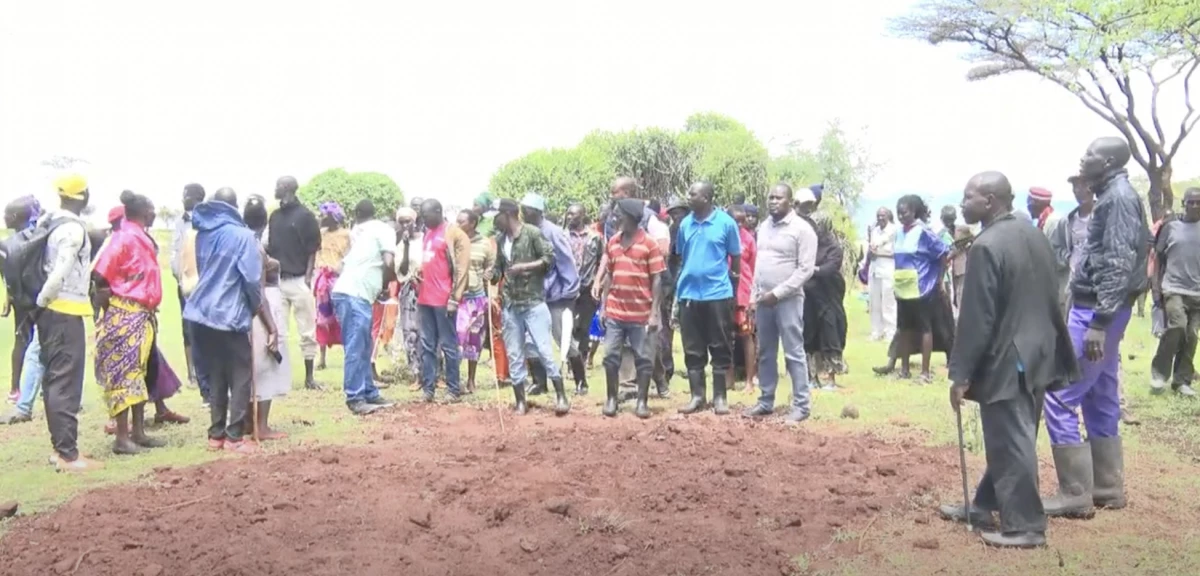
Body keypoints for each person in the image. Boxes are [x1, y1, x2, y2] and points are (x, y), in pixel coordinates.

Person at [942, 171, 1078, 549]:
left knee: (1010, 439)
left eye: (968, 197)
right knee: (1016, 433)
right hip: (1040, 351)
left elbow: (977, 318)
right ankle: (985, 503)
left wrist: (961, 374)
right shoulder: (1033, 233)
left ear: (989, 201)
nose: (963, 203)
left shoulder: (986, 246)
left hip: (1011, 356)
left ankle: (1026, 527)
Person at [1041, 137, 1150, 519]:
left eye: (1088, 154)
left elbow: (1118, 262)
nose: (1082, 158)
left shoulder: (1118, 198)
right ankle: (1107, 486)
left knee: (1060, 394)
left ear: (1106, 162)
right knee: (1099, 393)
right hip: (1107, 310)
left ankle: (1074, 493)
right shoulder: (1116, 194)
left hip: (1096, 312)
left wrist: (1099, 323)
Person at [185, 188, 277, 454]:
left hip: (201, 312)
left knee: (217, 375)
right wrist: (254, 307)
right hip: (229, 313)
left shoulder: (202, 234)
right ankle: (234, 437)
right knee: (240, 375)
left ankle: (216, 435)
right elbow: (250, 279)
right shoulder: (243, 236)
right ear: (234, 207)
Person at [92, 191, 178, 454]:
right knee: (124, 375)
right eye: (152, 209)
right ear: (144, 212)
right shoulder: (122, 238)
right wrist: (111, 307)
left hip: (143, 315)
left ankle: (139, 432)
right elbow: (99, 275)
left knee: (140, 374)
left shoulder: (142, 238)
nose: (154, 213)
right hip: (125, 314)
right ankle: (121, 437)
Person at [36, 175, 99, 471]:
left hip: (51, 313)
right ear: (82, 197)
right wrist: (44, 301)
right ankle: (68, 455)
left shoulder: (48, 223)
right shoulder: (73, 229)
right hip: (63, 310)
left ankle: (60, 449)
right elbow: (59, 271)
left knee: (54, 379)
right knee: (65, 382)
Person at [743, 184, 818, 422]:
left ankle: (801, 406)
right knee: (765, 352)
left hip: (788, 300)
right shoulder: (764, 227)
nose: (773, 201)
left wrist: (778, 293)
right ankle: (766, 401)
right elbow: (759, 264)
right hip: (763, 300)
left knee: (794, 352)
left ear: (790, 201)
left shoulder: (802, 230)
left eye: (779, 198)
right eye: (770, 197)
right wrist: (755, 295)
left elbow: (805, 270)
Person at [490, 198, 565, 415]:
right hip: (511, 305)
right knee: (514, 354)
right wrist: (491, 275)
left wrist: (526, 267)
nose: (495, 221)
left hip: (533, 303)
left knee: (543, 350)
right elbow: (498, 271)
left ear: (508, 215)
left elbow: (549, 258)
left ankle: (560, 395)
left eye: (497, 216)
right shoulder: (500, 240)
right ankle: (520, 400)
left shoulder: (531, 233)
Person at [673, 181, 741, 415]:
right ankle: (697, 396)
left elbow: (736, 257)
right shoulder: (684, 224)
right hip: (689, 295)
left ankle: (720, 397)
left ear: (707, 197)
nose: (688, 197)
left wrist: (734, 288)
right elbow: (682, 256)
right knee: (692, 348)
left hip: (718, 294)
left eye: (693, 193)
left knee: (720, 346)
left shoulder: (726, 223)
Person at [598, 198, 665, 418]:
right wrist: (604, 306)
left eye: (619, 214)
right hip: (616, 312)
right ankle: (611, 399)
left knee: (644, 358)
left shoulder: (649, 244)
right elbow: (609, 274)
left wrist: (654, 313)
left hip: (641, 314)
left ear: (632, 218)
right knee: (610, 356)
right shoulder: (613, 242)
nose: (615, 218)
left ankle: (642, 402)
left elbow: (657, 280)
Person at [874, 195, 952, 383]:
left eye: (905, 212)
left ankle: (925, 373)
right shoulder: (899, 232)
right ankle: (904, 370)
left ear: (914, 212)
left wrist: (939, 280)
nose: (901, 216)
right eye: (899, 213)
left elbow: (943, 253)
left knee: (925, 328)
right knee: (904, 328)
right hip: (902, 287)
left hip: (922, 288)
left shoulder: (924, 232)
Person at [330, 200, 398, 415]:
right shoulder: (386, 231)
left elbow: (340, 266)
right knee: (356, 346)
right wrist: (386, 286)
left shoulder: (366, 236)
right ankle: (355, 397)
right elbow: (388, 263)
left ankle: (369, 392)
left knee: (364, 345)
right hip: (354, 295)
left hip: (354, 294)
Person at [407, 199, 470, 402]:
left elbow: (461, 268)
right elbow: (430, 261)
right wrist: (418, 272)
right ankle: (428, 389)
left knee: (449, 345)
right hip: (425, 299)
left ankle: (453, 389)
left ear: (438, 211)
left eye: (426, 216)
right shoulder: (428, 233)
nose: (423, 220)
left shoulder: (454, 234)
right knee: (426, 345)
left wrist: (455, 298)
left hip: (444, 300)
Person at [520, 193, 580, 400]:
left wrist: (569, 292)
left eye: (525, 209)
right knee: (531, 339)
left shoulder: (553, 232)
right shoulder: (525, 232)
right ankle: (539, 382)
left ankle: (581, 380)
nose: (522, 212)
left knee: (562, 336)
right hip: (533, 295)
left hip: (556, 295)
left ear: (535, 211)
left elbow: (567, 262)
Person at [266, 176, 323, 390]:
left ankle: (309, 378)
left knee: (307, 330)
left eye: (278, 185)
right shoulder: (275, 216)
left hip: (299, 280)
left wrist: (308, 278)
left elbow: (312, 249)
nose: (275, 188)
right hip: (278, 282)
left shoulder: (305, 216)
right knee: (278, 331)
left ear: (288, 188)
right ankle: (280, 376)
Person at [1148, 187, 1200, 397]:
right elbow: (1157, 259)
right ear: (1184, 204)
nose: (1195, 206)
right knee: (1177, 326)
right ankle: (1159, 374)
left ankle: (1182, 381)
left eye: (1199, 202)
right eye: (1191, 202)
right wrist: (1156, 289)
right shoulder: (1171, 228)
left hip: (1198, 292)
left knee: (1192, 336)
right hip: (1173, 288)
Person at [796, 185, 847, 390]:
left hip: (829, 298)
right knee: (809, 335)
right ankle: (811, 378)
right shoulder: (808, 244)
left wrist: (811, 269)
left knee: (831, 335)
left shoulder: (834, 247)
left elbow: (829, 269)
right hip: (809, 296)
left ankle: (832, 378)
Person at [1, 196, 43, 423]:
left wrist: (9, 297)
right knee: (34, 343)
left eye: (6, 215)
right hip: (34, 299)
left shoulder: (7, 244)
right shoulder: (35, 238)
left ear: (16, 218)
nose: (4, 218)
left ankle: (16, 389)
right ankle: (20, 390)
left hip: (23, 300)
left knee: (24, 342)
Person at [455, 209, 495, 394]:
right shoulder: (454, 242)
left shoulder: (485, 244)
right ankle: (454, 380)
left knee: (474, 341)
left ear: (472, 224)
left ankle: (471, 380)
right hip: (457, 299)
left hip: (477, 298)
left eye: (461, 221)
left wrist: (489, 273)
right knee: (456, 339)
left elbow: (491, 267)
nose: (457, 224)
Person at [172, 184, 207, 391]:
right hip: (185, 285)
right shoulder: (179, 222)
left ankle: (208, 372)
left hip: (206, 284)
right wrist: (180, 278)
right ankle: (191, 373)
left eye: (187, 195)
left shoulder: (207, 220)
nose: (183, 198)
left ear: (197, 198)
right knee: (188, 328)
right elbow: (175, 252)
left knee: (207, 327)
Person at [566, 203, 603, 396]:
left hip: (587, 289)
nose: (570, 216)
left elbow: (601, 262)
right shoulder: (563, 236)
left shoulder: (595, 238)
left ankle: (581, 363)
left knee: (584, 328)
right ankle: (571, 365)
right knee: (569, 328)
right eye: (569, 213)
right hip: (567, 290)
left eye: (574, 213)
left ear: (582, 215)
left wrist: (599, 285)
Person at [313, 202, 350, 370]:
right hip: (322, 281)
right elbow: (317, 254)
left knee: (342, 318)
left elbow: (348, 257)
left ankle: (347, 355)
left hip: (339, 280)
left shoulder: (346, 235)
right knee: (322, 319)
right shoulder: (320, 234)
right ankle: (321, 358)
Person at [728, 204, 758, 391]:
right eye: (735, 220)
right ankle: (728, 379)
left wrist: (753, 295)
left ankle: (749, 380)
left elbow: (754, 268)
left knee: (746, 336)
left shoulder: (749, 239)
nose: (739, 224)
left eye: (742, 220)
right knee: (725, 337)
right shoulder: (721, 236)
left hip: (743, 295)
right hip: (724, 294)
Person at [394, 208, 424, 387]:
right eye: (402, 222)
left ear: (415, 221)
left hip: (427, 289)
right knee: (410, 332)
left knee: (428, 332)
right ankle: (416, 374)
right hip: (409, 292)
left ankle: (435, 373)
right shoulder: (400, 246)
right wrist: (405, 246)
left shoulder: (425, 241)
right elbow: (403, 270)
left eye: (408, 221)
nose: (406, 225)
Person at [866, 207, 897, 341]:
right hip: (874, 268)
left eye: (883, 215)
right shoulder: (874, 231)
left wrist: (877, 251)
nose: (880, 218)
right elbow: (871, 247)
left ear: (888, 216)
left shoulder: (893, 230)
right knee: (875, 302)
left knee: (888, 302)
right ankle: (876, 331)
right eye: (878, 215)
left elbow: (890, 250)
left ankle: (890, 332)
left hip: (887, 268)